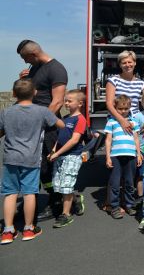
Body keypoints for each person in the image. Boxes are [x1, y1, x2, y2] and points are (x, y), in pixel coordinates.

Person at [0, 79, 65, 244]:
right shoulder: (42, 111)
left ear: (14, 94)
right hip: (31, 158)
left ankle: (8, 231)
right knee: (29, 193)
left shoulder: (6, 112)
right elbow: (61, 124)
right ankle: (29, 229)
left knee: (10, 193)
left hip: (10, 158)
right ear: (35, 93)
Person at [17, 39, 68, 220]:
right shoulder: (34, 69)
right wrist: (24, 80)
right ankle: (38, 199)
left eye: (25, 58)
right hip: (32, 122)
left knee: (48, 165)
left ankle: (56, 203)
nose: (25, 62)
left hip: (48, 126)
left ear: (33, 54)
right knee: (36, 165)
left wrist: (37, 123)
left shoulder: (56, 69)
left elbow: (57, 102)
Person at [48, 89, 87, 228]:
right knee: (59, 184)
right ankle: (75, 199)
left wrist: (58, 153)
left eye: (69, 101)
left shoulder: (80, 119)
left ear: (80, 103)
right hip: (60, 156)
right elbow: (60, 138)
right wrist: (54, 150)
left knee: (66, 185)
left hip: (72, 156)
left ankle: (66, 214)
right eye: (65, 100)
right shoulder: (65, 119)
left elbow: (74, 140)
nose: (66, 103)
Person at [104, 95, 143, 219]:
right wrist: (108, 157)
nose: (123, 111)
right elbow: (108, 140)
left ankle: (129, 205)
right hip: (115, 156)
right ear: (115, 108)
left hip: (131, 156)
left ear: (130, 108)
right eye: (120, 108)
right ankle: (114, 207)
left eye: (126, 108)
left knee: (129, 183)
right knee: (115, 183)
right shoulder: (111, 122)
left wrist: (138, 153)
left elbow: (136, 138)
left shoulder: (133, 122)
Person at [105, 50, 144, 136]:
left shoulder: (141, 84)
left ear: (135, 63)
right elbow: (109, 104)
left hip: (135, 120)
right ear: (120, 65)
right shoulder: (113, 81)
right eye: (124, 63)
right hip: (117, 119)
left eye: (130, 62)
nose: (127, 65)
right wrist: (122, 121)